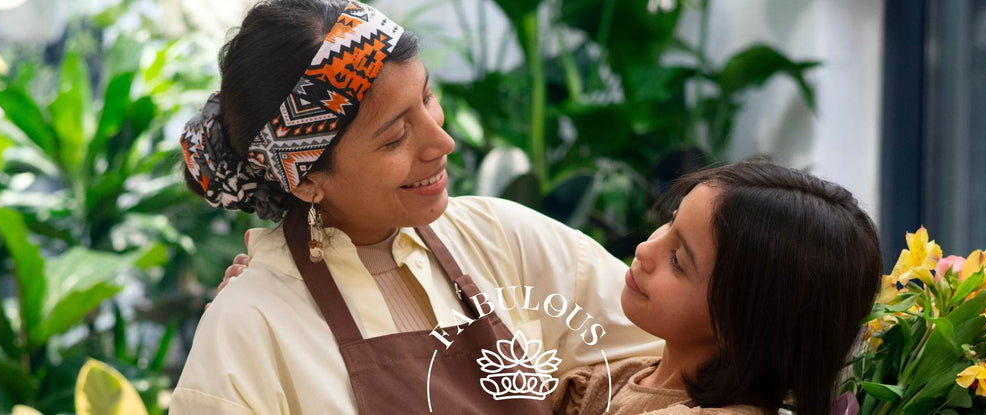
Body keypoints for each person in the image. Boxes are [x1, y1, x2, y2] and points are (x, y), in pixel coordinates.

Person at [170, 0, 660, 413]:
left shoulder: (503, 237)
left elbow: (670, 366)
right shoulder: (250, 330)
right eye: (396, 136)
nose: (442, 141)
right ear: (308, 181)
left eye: (428, 98)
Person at [550, 162, 882, 415]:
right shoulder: (624, 375)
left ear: (741, 323)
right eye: (670, 222)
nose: (644, 250)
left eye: (678, 260)